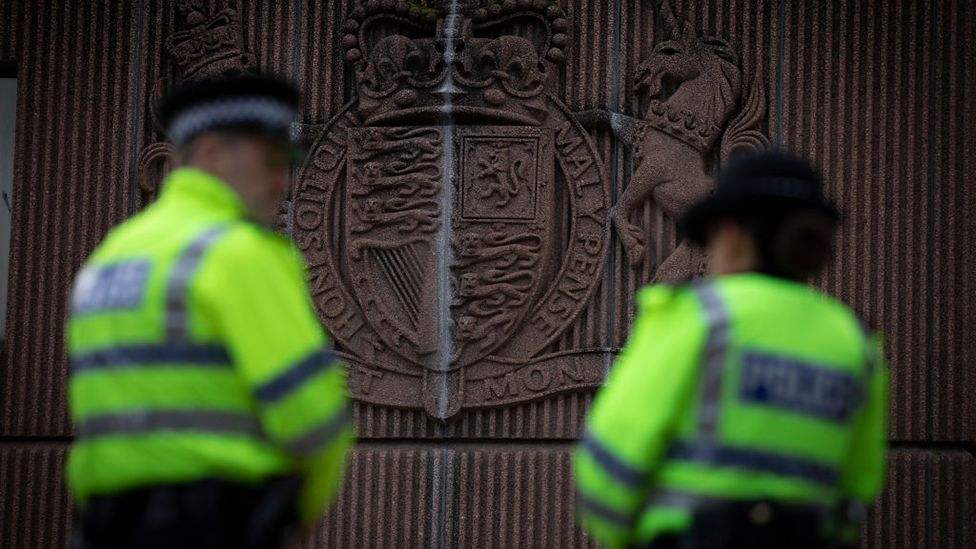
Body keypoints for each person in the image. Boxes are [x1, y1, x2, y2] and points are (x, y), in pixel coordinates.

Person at [66, 73, 353, 549]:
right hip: (215, 523)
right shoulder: (237, 253)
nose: (284, 181)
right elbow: (315, 418)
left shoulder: (111, 258)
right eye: (272, 161)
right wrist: (296, 517)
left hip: (101, 526)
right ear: (212, 153)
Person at [573, 151, 888, 549]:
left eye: (711, 237)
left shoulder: (697, 317)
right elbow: (858, 488)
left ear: (733, 235)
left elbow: (606, 470)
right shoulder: (855, 342)